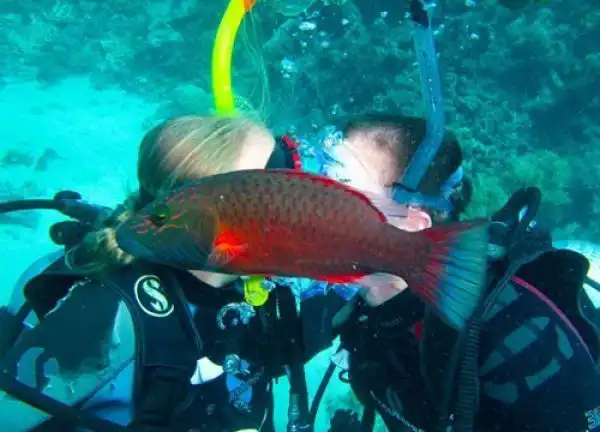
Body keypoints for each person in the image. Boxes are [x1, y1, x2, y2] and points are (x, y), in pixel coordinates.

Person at [0, 114, 344, 432]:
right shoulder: (107, 319)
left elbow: (274, 350)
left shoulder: (248, 285)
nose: (298, 198)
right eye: (277, 182)